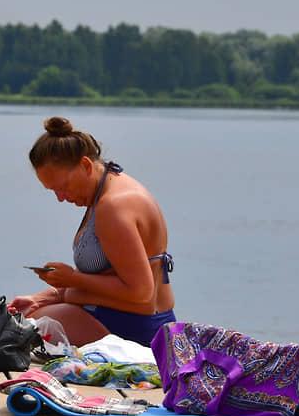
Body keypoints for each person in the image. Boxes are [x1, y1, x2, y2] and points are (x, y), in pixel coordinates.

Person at [10, 116, 176, 347]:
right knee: (24, 317)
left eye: (63, 187)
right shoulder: (106, 188)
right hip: (131, 319)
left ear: (86, 165)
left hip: (137, 329)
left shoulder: (114, 206)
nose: (60, 198)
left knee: (17, 330)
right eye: (53, 191)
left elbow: (141, 292)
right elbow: (109, 275)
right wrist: (44, 297)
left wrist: (71, 281)